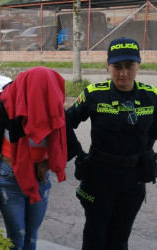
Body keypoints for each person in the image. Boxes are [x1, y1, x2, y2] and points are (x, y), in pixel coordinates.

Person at [66, 37, 157, 250]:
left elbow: (154, 131)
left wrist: (146, 154)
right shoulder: (94, 93)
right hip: (99, 176)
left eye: (129, 66)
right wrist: (78, 152)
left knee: (120, 238)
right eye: (117, 66)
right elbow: (65, 122)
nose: (123, 73)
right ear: (108, 65)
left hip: (133, 179)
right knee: (94, 237)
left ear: (139, 65)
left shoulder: (151, 96)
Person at [0, 66, 67, 249]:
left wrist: (46, 163)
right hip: (9, 179)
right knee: (16, 238)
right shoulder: (6, 107)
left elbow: (69, 145)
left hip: (40, 181)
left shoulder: (53, 108)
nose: (41, 99)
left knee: (31, 237)